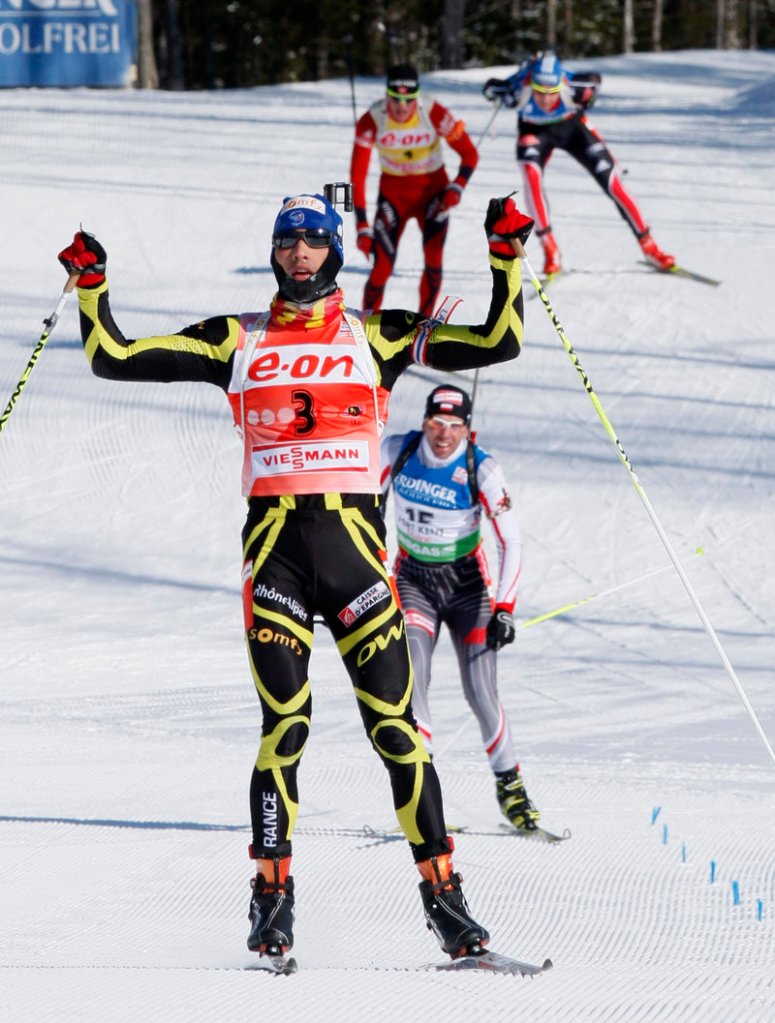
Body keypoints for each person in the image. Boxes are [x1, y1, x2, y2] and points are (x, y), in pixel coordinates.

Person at [56, 191, 534, 962]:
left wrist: (507, 257)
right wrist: (91, 284)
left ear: (333, 249)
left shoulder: (373, 333)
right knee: (285, 728)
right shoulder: (233, 338)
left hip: (357, 567)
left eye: (313, 240)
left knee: (398, 734)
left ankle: (446, 904)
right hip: (274, 560)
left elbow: (496, 341)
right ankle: (271, 903)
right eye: (287, 242)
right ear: (274, 253)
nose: (299, 253)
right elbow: (112, 355)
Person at [380, 384, 540, 834]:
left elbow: (511, 539)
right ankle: (420, 795)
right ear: (425, 421)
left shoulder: (481, 468)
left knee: (481, 693)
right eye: (436, 423)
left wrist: (505, 607)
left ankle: (512, 791)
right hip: (414, 582)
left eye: (454, 426)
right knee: (413, 681)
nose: (444, 435)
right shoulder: (398, 450)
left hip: (468, 588)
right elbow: (364, 506)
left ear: (469, 429)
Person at [483, 51, 675, 276]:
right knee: (530, 176)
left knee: (612, 182)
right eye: (539, 91)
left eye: (552, 92)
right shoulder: (518, 89)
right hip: (534, 132)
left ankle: (649, 246)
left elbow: (594, 81)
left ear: (560, 85)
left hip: (572, 129)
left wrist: (592, 93)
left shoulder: (573, 87)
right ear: (530, 84)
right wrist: (494, 93)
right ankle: (550, 248)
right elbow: (489, 89)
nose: (545, 98)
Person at [350, 63, 479, 317]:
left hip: (433, 194)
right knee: (381, 268)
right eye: (395, 99)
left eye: (408, 100)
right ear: (386, 95)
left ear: (416, 98)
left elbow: (470, 154)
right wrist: (362, 226)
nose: (401, 107)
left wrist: (457, 186)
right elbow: (357, 175)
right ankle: (364, 329)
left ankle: (424, 324)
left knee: (433, 260)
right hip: (393, 196)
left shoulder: (433, 112)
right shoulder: (372, 120)